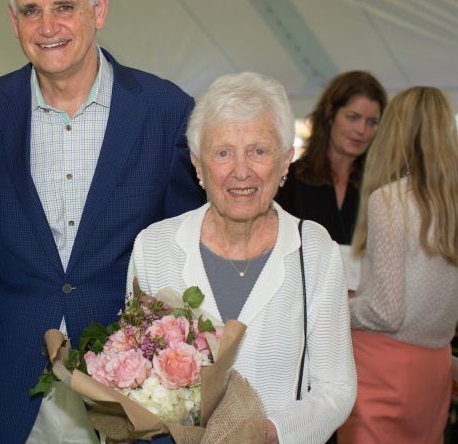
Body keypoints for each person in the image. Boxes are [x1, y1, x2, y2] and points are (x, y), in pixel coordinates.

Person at [0, 0, 203, 442]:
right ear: (13, 22)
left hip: (130, 381)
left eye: (63, 7)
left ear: (98, 10)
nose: (47, 27)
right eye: (30, 11)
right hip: (10, 373)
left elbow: (186, 250)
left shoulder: (165, 111)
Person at [127, 72, 357, 443]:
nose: (241, 171)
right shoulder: (154, 247)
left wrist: (266, 433)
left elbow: (336, 389)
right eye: (223, 153)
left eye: (258, 151)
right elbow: (138, 376)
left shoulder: (315, 250)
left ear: (286, 161)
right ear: (198, 165)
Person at [338, 87, 458, 444]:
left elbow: (385, 312)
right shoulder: (451, 204)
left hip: (383, 370)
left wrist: (333, 309)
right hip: (434, 368)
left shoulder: (389, 200)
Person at [276, 71, 385, 293]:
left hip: (365, 311)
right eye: (353, 117)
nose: (362, 130)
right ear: (330, 114)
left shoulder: (379, 186)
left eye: (372, 122)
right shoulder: (290, 180)